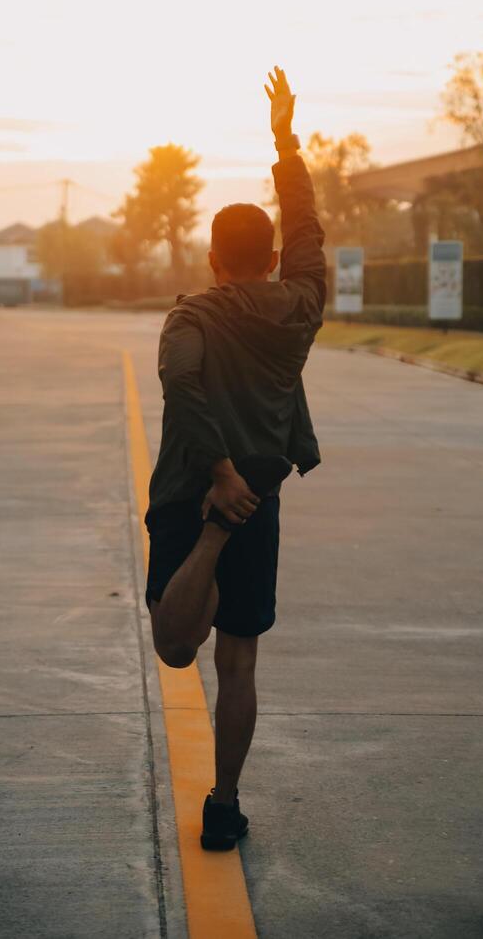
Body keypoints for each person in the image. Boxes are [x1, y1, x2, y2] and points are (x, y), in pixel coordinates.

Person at [144, 66, 326, 850]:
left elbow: (179, 389)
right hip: (261, 489)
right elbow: (309, 227)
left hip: (197, 487)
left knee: (174, 646)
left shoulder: (191, 316)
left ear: (215, 257)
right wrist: (285, 140)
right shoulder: (301, 307)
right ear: (272, 256)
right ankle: (226, 801)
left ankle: (211, 540)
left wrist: (215, 476)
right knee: (239, 663)